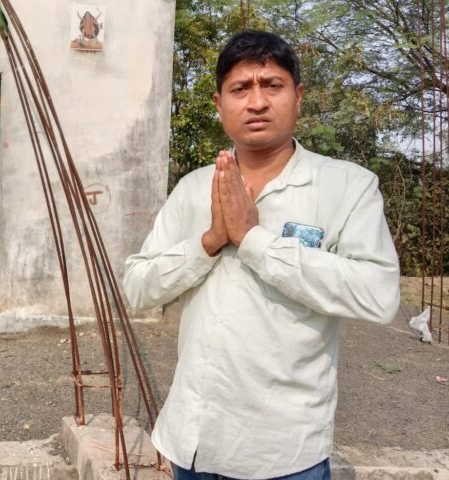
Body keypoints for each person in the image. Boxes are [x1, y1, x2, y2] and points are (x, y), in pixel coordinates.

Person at [123, 30, 400, 480]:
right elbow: (136, 289)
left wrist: (254, 241)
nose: (256, 102)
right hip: (191, 441)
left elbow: (379, 295)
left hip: (282, 452)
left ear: (298, 97)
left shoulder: (347, 186)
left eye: (272, 85)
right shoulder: (194, 188)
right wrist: (209, 241)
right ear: (220, 104)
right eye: (240, 89)